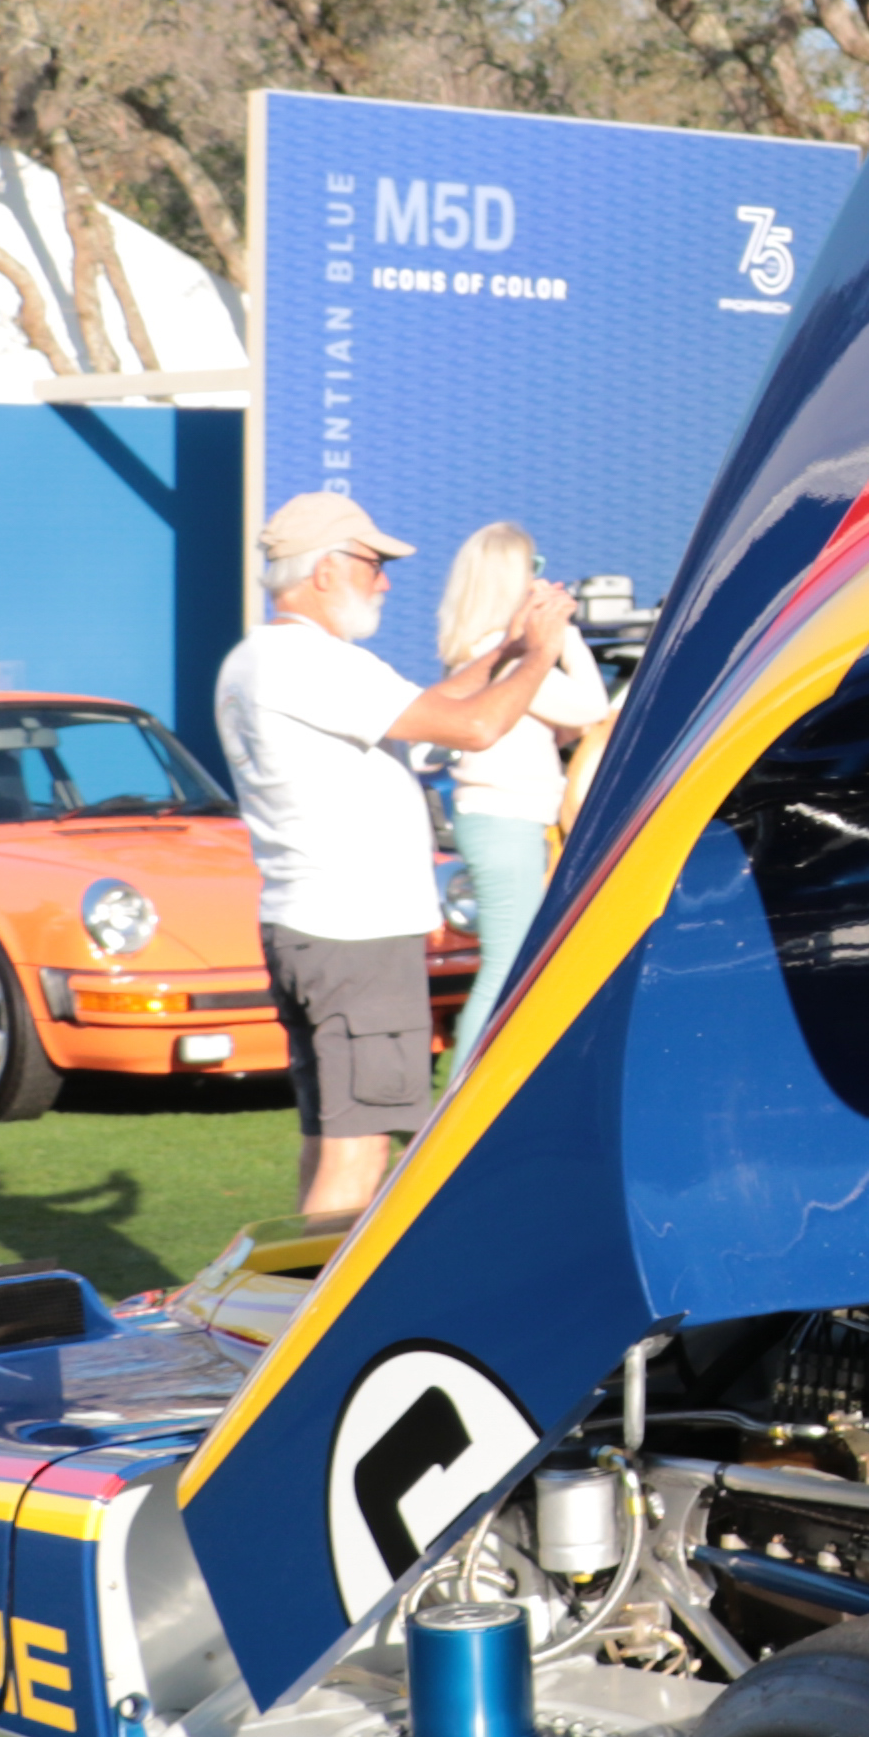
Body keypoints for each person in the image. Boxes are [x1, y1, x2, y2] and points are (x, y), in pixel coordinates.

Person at [214, 491, 568, 1219]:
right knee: (360, 1151)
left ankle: (290, 1302)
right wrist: (541, 655)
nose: (385, 581)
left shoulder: (260, 659)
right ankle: (317, 1323)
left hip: (309, 927)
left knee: (328, 1136)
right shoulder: (315, 664)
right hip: (357, 939)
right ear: (325, 572)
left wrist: (503, 649)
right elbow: (473, 729)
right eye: (373, 564)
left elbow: (428, 710)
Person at [429, 520, 610, 1043]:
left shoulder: (480, 651)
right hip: (505, 820)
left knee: (509, 962)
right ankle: (464, 1104)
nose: (542, 580)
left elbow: (564, 726)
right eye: (532, 569)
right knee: (506, 967)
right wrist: (564, 636)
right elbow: (592, 707)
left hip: (506, 820)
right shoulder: (500, 651)